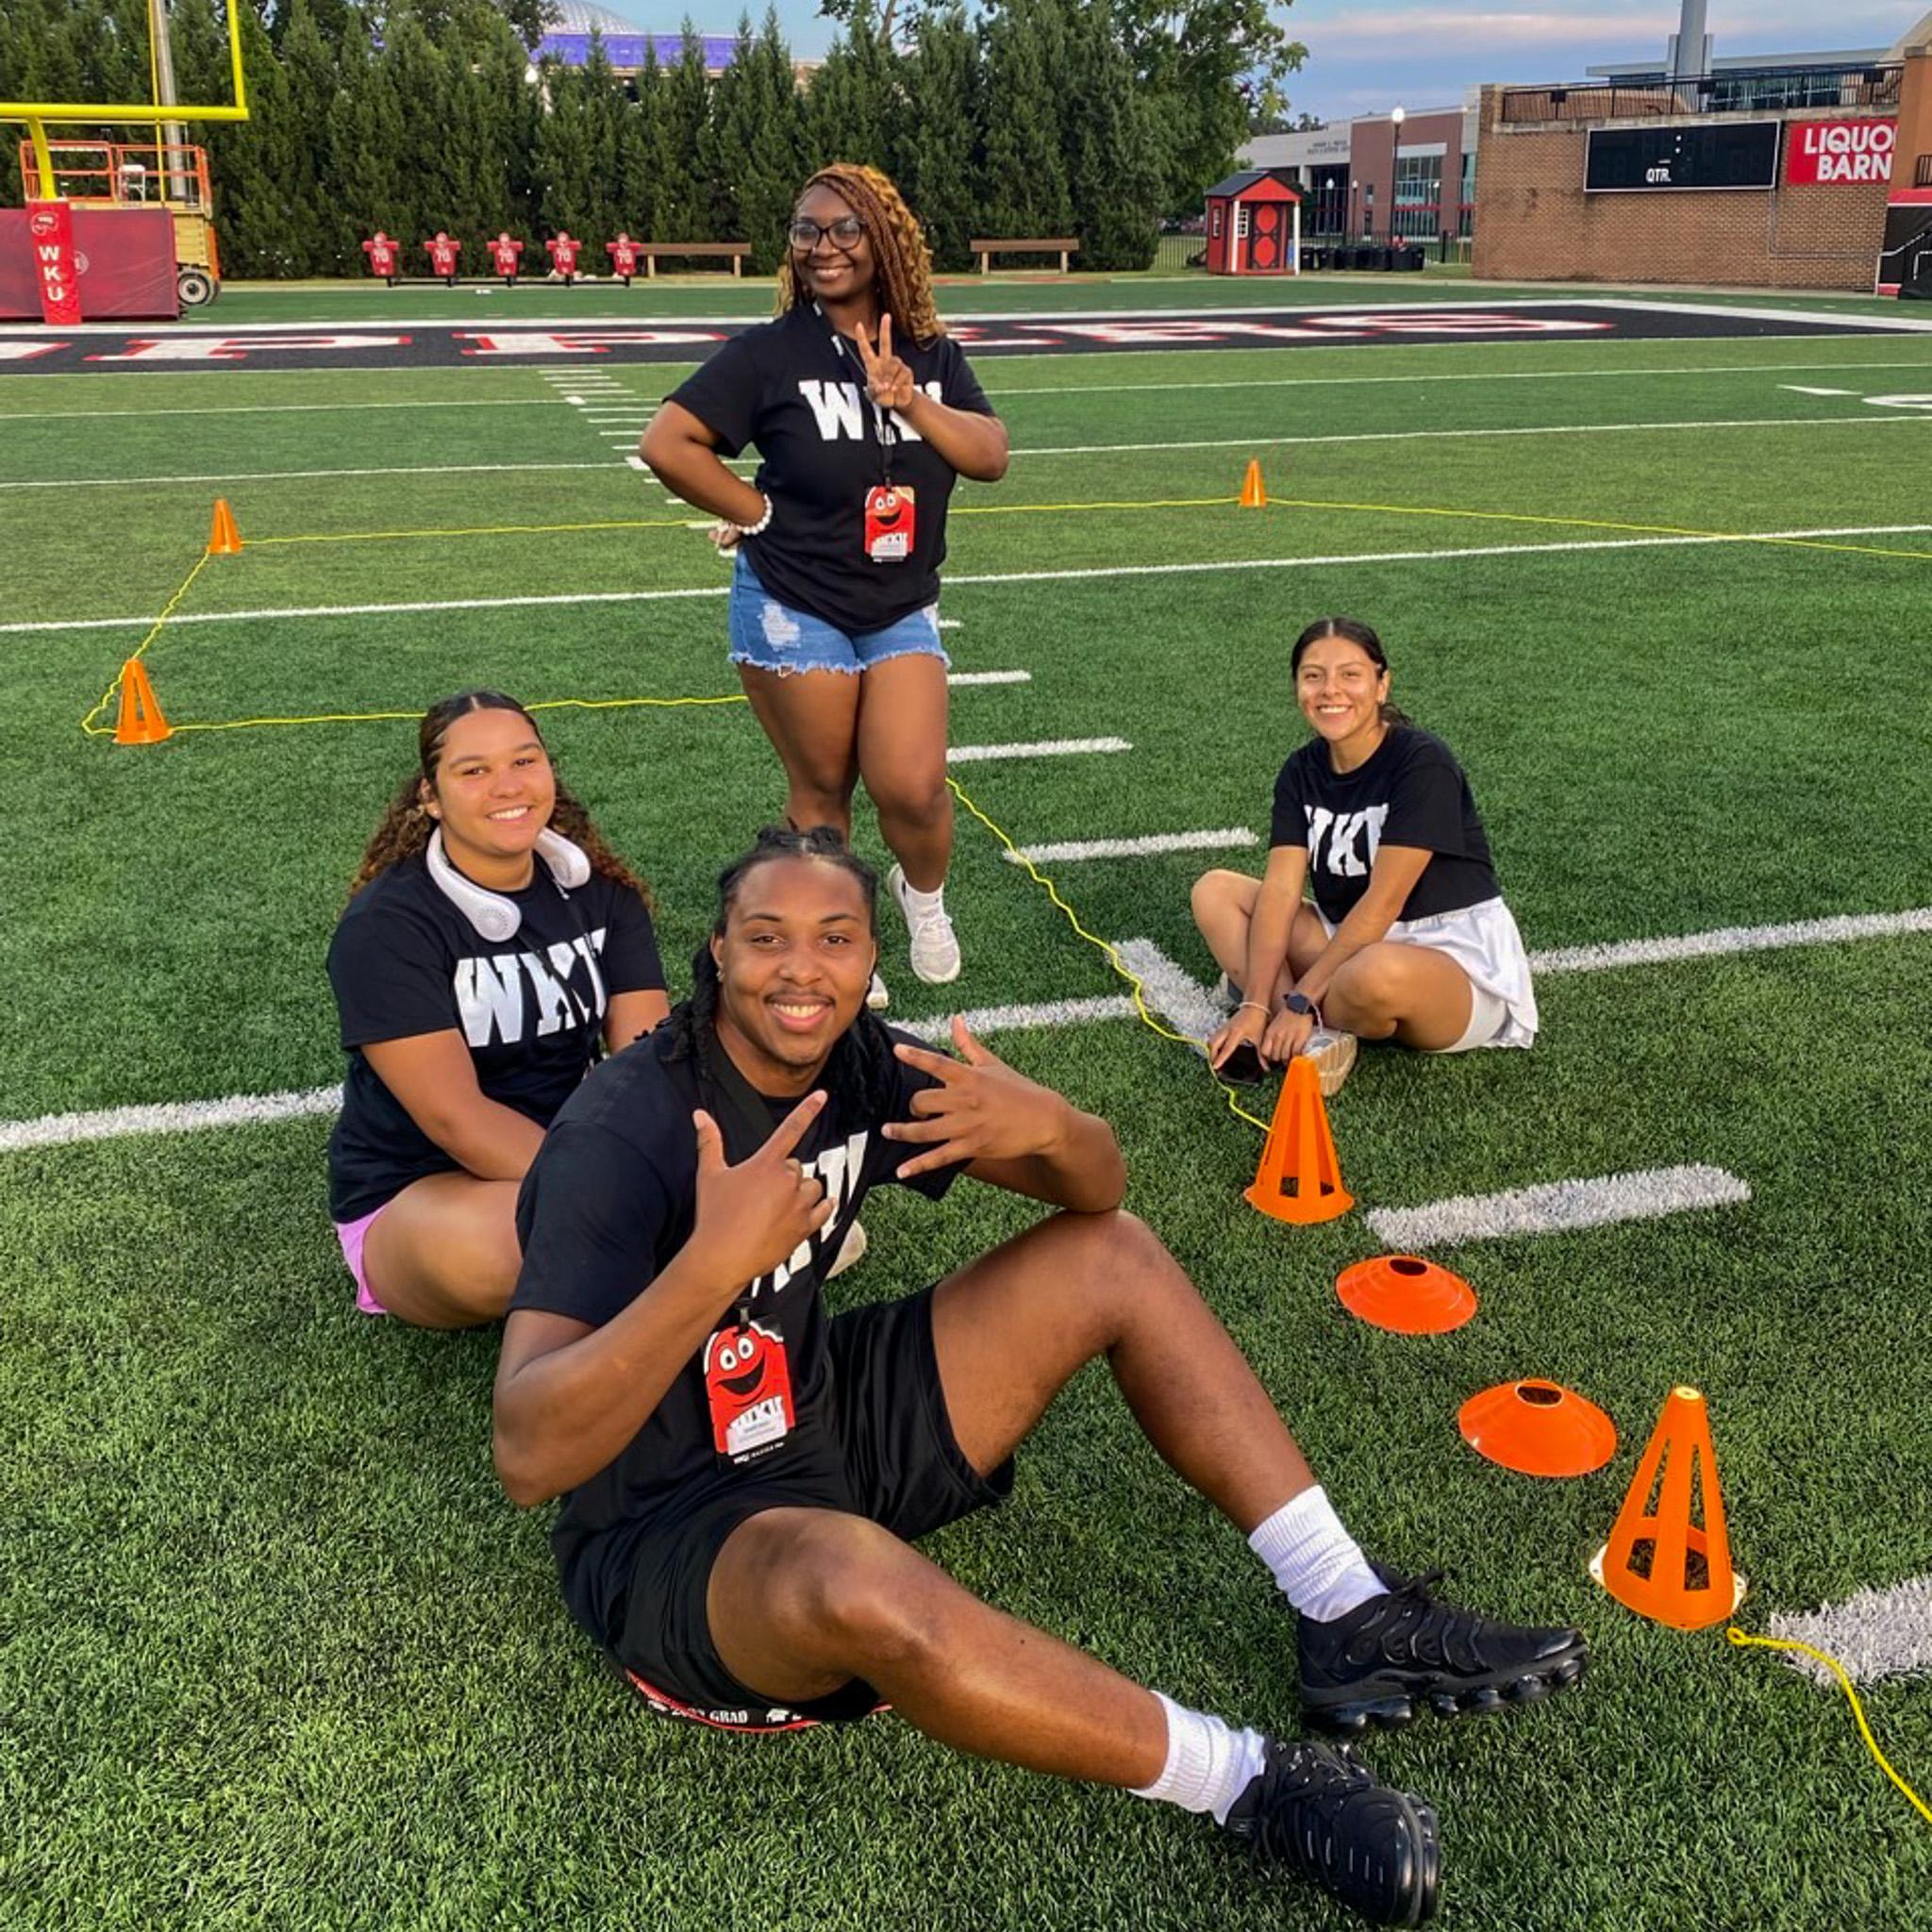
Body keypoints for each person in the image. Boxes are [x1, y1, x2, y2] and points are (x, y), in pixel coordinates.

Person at [491, 826, 1587, 1928]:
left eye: (834, 939)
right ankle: (1246, 1780)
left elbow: (1097, 1193)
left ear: (871, 960)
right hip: (668, 1526)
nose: (799, 968)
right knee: (852, 1580)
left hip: (806, 1409)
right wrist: (703, 1270)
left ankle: (1346, 1609)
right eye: (766, 937)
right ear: (717, 952)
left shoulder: (862, 1056)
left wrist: (1053, 1127)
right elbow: (531, 1453)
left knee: (1110, 1256)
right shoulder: (622, 1130)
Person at [639, 163, 1008, 1008]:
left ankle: (923, 899)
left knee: (911, 786)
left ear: (885, 240)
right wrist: (756, 510)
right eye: (807, 230)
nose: (824, 247)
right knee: (823, 789)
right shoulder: (771, 351)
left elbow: (989, 456)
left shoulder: (932, 354)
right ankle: (845, 940)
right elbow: (669, 442)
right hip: (791, 599)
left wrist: (911, 401)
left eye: (846, 229)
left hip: (899, 603)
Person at [326, 691, 669, 1329]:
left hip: (573, 1151)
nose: (506, 786)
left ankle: (649, 1253)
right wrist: (615, 1189)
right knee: (521, 1246)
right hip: (422, 1190)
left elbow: (648, 1056)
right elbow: (456, 1119)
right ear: (430, 797)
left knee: (624, 1222)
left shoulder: (603, 895)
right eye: (473, 771)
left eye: (524, 761)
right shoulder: (388, 926)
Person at [1196, 616, 1538, 1095]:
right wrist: (1254, 1005)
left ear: (1382, 685)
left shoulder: (1422, 762)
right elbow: (1279, 889)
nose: (1330, 690)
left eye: (1350, 675)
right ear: (1297, 686)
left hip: (1447, 956)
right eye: (1313, 676)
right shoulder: (1300, 770)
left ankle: (1301, 1013)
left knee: (1374, 974)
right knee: (1215, 891)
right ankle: (1291, 1019)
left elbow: (1384, 903)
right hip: (1351, 938)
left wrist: (1299, 1002)